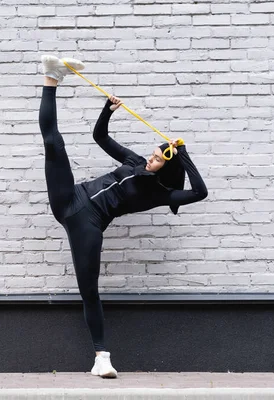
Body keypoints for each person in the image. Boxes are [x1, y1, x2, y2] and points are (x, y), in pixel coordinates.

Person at [38, 55, 208, 378]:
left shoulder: (161, 193)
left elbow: (200, 192)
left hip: (88, 224)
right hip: (72, 197)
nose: (155, 155)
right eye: (158, 150)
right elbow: (99, 137)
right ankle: (52, 77)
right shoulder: (134, 160)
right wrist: (108, 110)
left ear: (167, 166)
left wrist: (183, 157)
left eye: (161, 157)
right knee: (53, 143)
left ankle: (101, 357)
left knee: (89, 291)